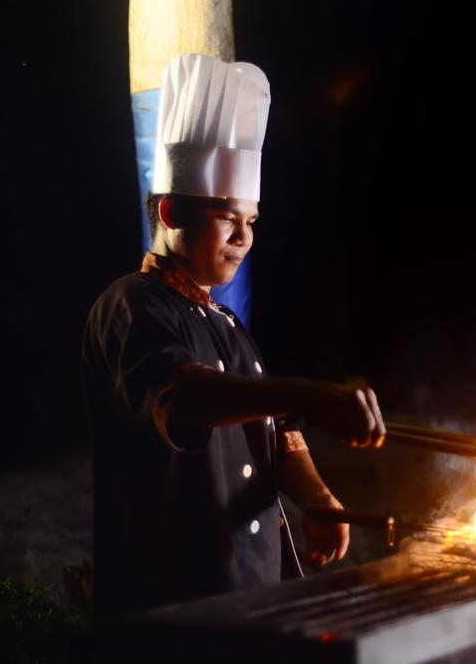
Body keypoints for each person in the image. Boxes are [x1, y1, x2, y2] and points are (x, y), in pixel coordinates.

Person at [80, 53, 385, 619]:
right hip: (175, 608)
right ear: (172, 211)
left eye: (252, 222)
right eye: (227, 217)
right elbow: (185, 397)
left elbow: (274, 431)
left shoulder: (226, 324)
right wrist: (309, 392)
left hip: (253, 596)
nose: (243, 237)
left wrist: (317, 497)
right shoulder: (130, 305)